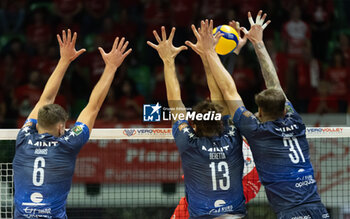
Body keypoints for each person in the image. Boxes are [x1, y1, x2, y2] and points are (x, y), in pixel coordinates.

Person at [197, 11, 329, 219]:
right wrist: (258, 43)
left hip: (292, 214)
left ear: (259, 113)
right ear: (284, 109)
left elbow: (230, 92)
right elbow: (274, 83)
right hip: (318, 209)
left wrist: (210, 52)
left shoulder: (257, 131)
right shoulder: (295, 121)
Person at [13, 29, 131, 219]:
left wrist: (63, 60)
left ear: (37, 122)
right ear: (61, 128)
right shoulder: (66, 143)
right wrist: (111, 67)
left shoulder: (24, 138)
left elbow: (45, 99)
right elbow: (93, 107)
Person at [147, 25, 246, 218]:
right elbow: (220, 96)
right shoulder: (234, 138)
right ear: (220, 122)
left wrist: (168, 60)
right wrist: (207, 55)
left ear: (195, 125)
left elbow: (175, 103)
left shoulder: (189, 144)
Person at [171, 20, 261, 219]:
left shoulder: (227, 132)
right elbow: (223, 92)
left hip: (237, 180)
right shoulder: (237, 131)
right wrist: (215, 54)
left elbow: (221, 94)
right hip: (237, 188)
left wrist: (209, 54)